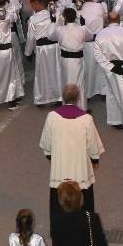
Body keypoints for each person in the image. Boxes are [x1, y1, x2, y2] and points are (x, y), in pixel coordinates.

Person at [38, 84, 104, 213]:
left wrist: (50, 156)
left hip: (60, 168)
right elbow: (92, 144)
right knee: (84, 201)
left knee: (60, 200)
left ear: (63, 98)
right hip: (80, 170)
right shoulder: (86, 119)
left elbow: (46, 143)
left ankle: (59, 230)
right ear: (78, 98)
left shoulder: (52, 117)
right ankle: (85, 227)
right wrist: (95, 160)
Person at [24, 0, 61, 106]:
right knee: (56, 72)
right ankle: (58, 96)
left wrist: (28, 52)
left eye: (32, 4)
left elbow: (30, 38)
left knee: (43, 74)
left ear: (38, 4)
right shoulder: (56, 14)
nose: (32, 7)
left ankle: (42, 98)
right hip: (55, 48)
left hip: (42, 49)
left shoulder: (33, 19)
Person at [56, 6, 88, 103]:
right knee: (80, 83)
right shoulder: (82, 29)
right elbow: (89, 36)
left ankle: (67, 106)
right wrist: (84, 25)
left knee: (67, 82)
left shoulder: (60, 29)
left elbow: (50, 35)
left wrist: (55, 22)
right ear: (76, 17)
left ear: (64, 18)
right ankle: (81, 107)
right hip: (78, 60)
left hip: (66, 60)